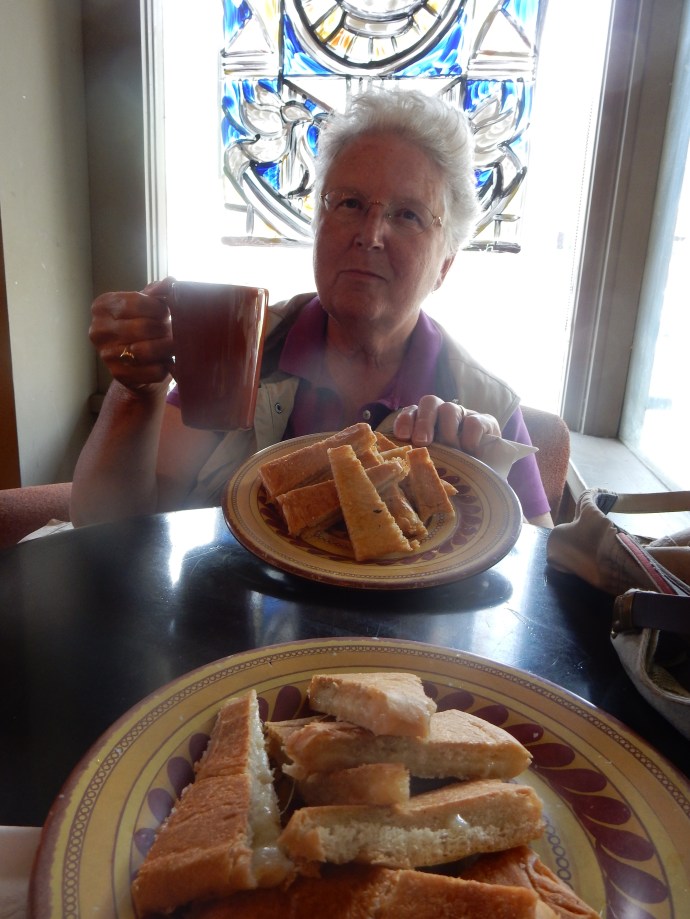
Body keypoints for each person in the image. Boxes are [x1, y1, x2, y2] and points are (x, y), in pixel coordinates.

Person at [71, 90, 553, 528]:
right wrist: (136, 392)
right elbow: (108, 529)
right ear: (318, 224)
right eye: (348, 203)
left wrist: (477, 490)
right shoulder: (240, 347)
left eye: (407, 214)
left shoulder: (483, 403)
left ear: (445, 263)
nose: (370, 234)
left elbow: (538, 586)